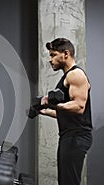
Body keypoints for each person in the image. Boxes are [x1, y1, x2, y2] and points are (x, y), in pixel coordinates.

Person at [40, 38, 93, 185]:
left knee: (69, 182)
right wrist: (44, 110)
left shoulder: (75, 75)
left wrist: (53, 104)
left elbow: (78, 106)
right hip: (70, 136)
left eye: (53, 55)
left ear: (66, 54)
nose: (50, 60)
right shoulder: (67, 76)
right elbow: (66, 112)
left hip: (76, 137)